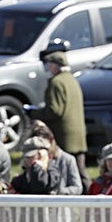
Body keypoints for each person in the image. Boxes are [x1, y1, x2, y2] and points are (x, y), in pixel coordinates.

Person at [30, 51, 88, 185]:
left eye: (50, 64)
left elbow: (55, 111)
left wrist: (34, 113)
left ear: (56, 66)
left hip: (64, 135)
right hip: (77, 134)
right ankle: (90, 196)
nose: (48, 67)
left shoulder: (56, 82)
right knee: (80, 171)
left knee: (65, 172)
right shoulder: (71, 80)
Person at [27, 120, 83, 195]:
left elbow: (77, 188)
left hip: (60, 204)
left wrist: (58, 192)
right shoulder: (32, 158)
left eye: (41, 145)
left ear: (50, 140)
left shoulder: (67, 159)